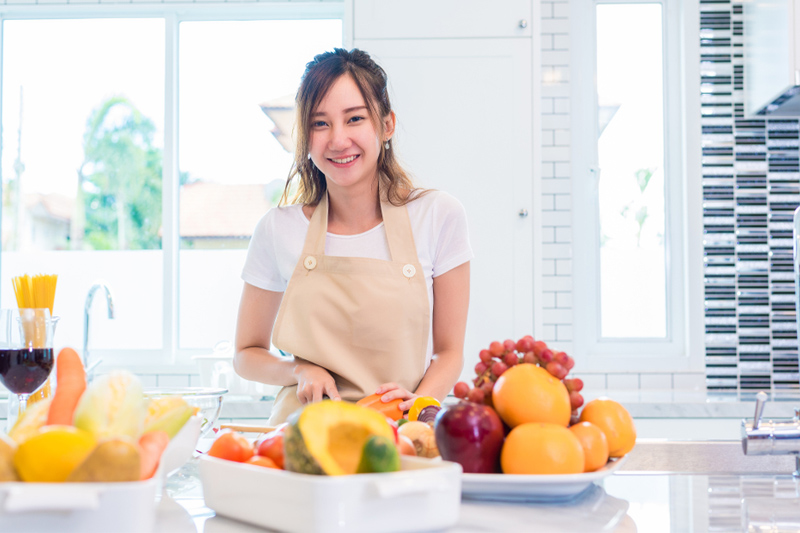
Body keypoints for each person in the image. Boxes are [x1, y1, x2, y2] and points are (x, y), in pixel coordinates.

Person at [233, 48, 472, 425]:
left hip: (398, 433)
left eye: (355, 118)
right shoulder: (278, 229)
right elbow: (246, 354)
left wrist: (421, 401)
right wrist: (298, 371)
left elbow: (448, 352)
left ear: (387, 124)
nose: (338, 140)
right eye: (320, 123)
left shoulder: (438, 216)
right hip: (301, 437)